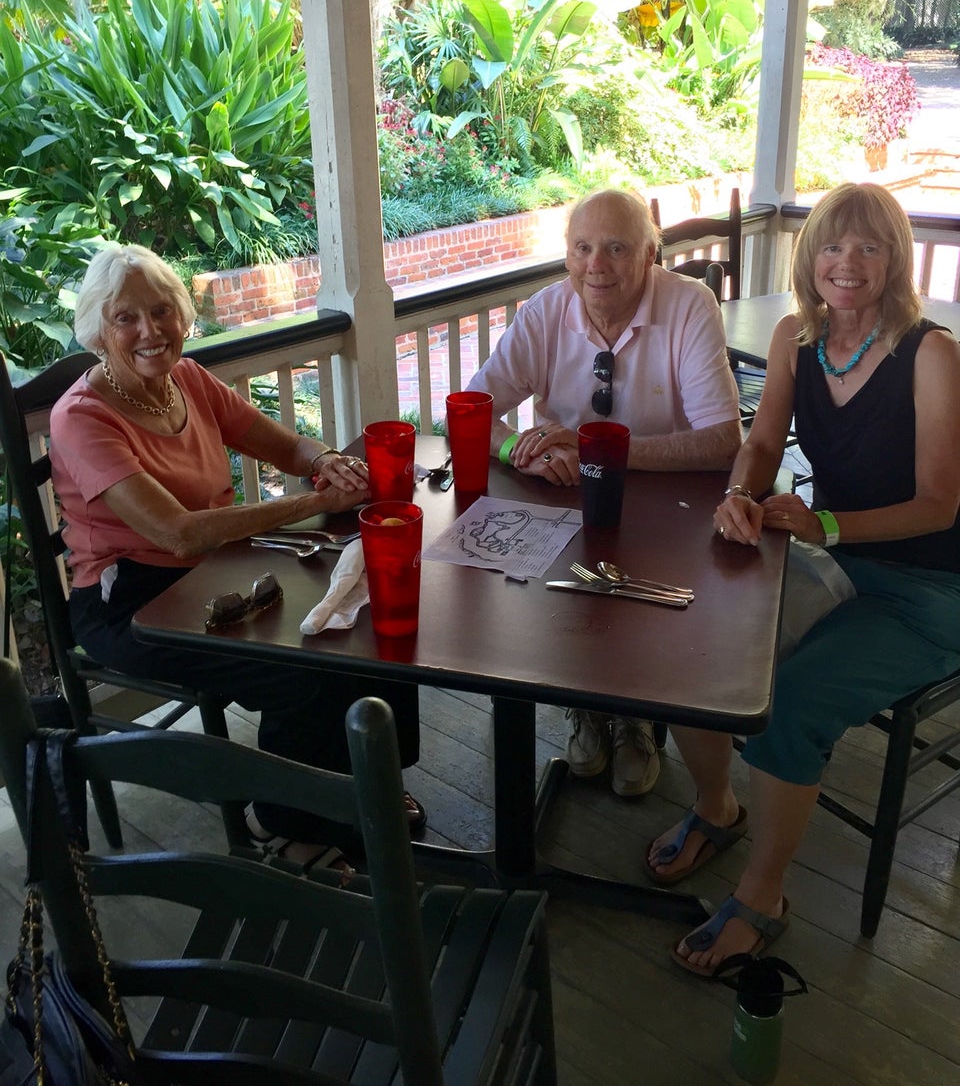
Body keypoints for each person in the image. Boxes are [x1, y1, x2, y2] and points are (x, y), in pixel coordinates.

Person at [646, 182, 960, 977]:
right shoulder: (798, 338)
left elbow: (939, 504)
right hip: (837, 558)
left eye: (869, 247)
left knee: (788, 704)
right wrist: (739, 494)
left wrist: (826, 525)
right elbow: (760, 444)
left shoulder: (931, 353)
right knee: (686, 639)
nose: (847, 263)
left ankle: (764, 895)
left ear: (895, 261)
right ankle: (717, 805)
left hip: (931, 592)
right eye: (832, 245)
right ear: (809, 256)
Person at [50, 244, 423, 868]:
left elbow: (286, 446)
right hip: (131, 601)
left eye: (162, 310)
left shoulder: (188, 379)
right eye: (126, 318)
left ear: (181, 315)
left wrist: (325, 460)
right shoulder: (82, 419)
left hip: (214, 570)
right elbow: (178, 533)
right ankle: (287, 821)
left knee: (366, 618)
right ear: (97, 330)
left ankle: (368, 781)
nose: (150, 331)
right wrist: (312, 502)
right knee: (302, 670)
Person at [467, 188, 741, 797]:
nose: (596, 265)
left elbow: (724, 442)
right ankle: (588, 704)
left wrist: (601, 449)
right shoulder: (545, 311)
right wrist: (520, 452)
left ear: (649, 255)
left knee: (649, 607)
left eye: (617, 248)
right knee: (561, 599)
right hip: (566, 500)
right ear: (567, 255)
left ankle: (636, 713)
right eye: (582, 248)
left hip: (665, 501)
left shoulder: (689, 305)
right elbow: (471, 409)